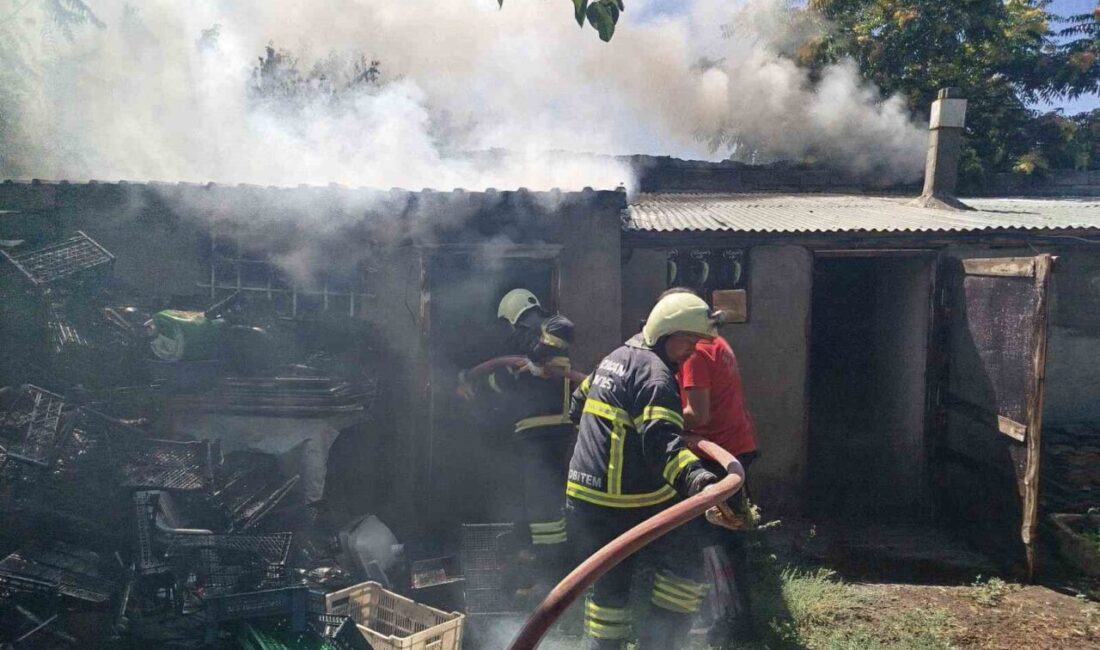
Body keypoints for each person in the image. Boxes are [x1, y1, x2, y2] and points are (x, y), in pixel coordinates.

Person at [568, 292, 744, 650]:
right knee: (685, 566)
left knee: (608, 588)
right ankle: (660, 643)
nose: (693, 350)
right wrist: (703, 484)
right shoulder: (657, 378)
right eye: (689, 340)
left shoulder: (615, 357)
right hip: (628, 501)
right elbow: (662, 444)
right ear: (666, 332)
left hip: (585, 500)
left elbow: (577, 405)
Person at [457, 288, 578, 595]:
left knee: (544, 509)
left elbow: (562, 326)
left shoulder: (535, 332)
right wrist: (479, 382)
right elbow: (506, 381)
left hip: (540, 434)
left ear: (513, 317)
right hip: (551, 432)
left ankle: (551, 581)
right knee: (540, 504)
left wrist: (536, 356)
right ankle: (542, 570)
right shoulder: (536, 339)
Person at [667, 287, 760, 642]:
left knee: (711, 541)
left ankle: (729, 623)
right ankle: (739, 620)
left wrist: (659, 419)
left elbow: (698, 413)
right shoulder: (716, 342)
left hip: (717, 459)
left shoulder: (695, 352)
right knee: (729, 542)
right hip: (736, 448)